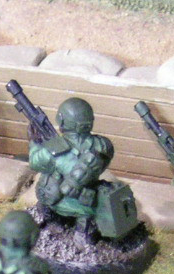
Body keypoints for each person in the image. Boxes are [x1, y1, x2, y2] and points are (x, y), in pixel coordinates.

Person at [27, 97, 115, 241]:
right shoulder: (103, 144)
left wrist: (34, 143)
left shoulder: (51, 150)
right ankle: (82, 232)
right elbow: (102, 165)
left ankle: (50, 218)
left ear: (61, 120)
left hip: (58, 201)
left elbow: (34, 163)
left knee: (48, 180)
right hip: (88, 202)